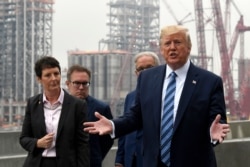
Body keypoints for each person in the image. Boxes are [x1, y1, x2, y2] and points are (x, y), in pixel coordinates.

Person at [84, 25, 230, 167]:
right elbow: (136, 116)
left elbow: (217, 121)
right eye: (167, 43)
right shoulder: (147, 78)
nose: (172, 47)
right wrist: (113, 125)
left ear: (189, 47)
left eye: (178, 42)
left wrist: (212, 134)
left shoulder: (210, 82)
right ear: (161, 49)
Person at [19, 56, 90, 167]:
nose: (53, 78)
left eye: (56, 74)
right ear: (39, 79)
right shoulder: (33, 103)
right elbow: (24, 138)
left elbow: (82, 145)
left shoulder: (77, 105)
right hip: (37, 163)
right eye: (48, 75)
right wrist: (38, 143)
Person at [115, 51, 160, 167]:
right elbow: (125, 128)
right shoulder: (130, 97)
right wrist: (119, 160)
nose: (145, 72)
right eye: (141, 69)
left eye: (149, 67)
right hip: (131, 159)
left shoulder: (166, 96)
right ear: (136, 73)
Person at [66, 65, 114, 167]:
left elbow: (108, 140)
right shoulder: (58, 107)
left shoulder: (101, 108)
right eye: (77, 83)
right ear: (68, 84)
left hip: (91, 162)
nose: (81, 87)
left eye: (85, 83)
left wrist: (96, 156)